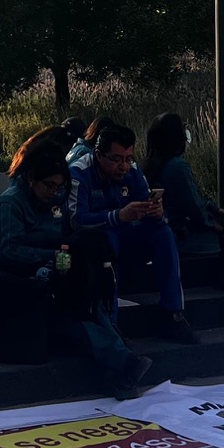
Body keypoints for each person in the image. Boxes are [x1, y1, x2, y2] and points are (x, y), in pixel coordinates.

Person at [0, 128, 150, 399]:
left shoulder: (57, 201)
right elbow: (8, 252)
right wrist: (51, 257)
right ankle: (122, 361)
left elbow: (69, 235)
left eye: (59, 186)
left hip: (58, 273)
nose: (55, 192)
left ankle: (120, 364)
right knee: (68, 316)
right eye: (49, 186)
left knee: (89, 298)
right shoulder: (10, 204)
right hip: (20, 284)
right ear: (31, 179)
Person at [71, 122, 196, 344]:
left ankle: (172, 313)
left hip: (127, 241)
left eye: (129, 158)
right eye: (117, 159)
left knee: (162, 232)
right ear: (99, 155)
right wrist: (117, 216)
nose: (124, 166)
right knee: (107, 235)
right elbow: (75, 221)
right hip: (92, 248)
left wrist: (157, 212)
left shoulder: (134, 171)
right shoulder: (78, 173)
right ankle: (111, 321)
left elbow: (146, 203)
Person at [143, 113, 222, 258]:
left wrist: (213, 209)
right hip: (182, 237)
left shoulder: (150, 166)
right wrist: (214, 224)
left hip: (163, 233)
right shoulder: (177, 167)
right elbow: (193, 206)